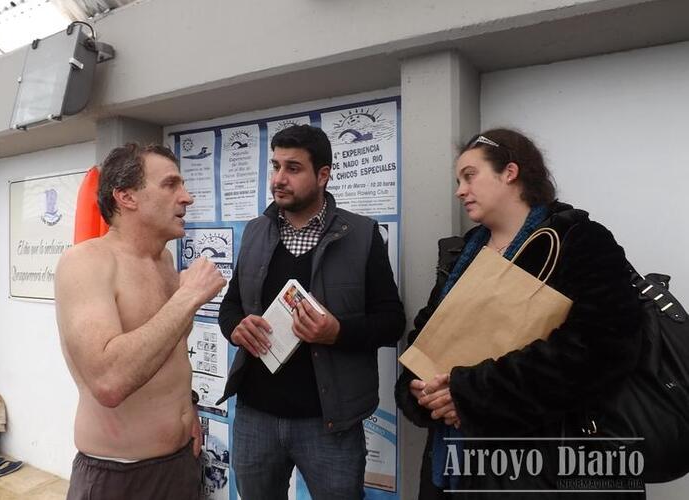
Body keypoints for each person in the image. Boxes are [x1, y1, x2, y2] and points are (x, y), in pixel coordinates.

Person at [395, 128, 644, 498]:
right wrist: (419, 392)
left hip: (545, 469)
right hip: (452, 468)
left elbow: (601, 349)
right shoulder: (459, 255)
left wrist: (469, 393)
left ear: (509, 172)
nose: (460, 190)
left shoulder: (578, 239)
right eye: (458, 180)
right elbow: (423, 341)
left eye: (469, 175)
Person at [217, 124, 405, 499]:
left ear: (323, 175)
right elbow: (231, 306)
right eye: (275, 166)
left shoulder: (362, 235)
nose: (279, 179)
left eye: (293, 168)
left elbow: (392, 321)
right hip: (255, 418)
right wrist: (235, 327)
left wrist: (337, 332)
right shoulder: (255, 232)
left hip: (329, 424)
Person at [56, 143, 226, 500]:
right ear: (126, 196)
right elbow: (109, 381)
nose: (187, 197)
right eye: (170, 185)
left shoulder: (164, 261)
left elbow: (169, 354)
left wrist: (186, 405)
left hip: (180, 462)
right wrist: (187, 296)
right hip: (119, 476)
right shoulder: (86, 263)